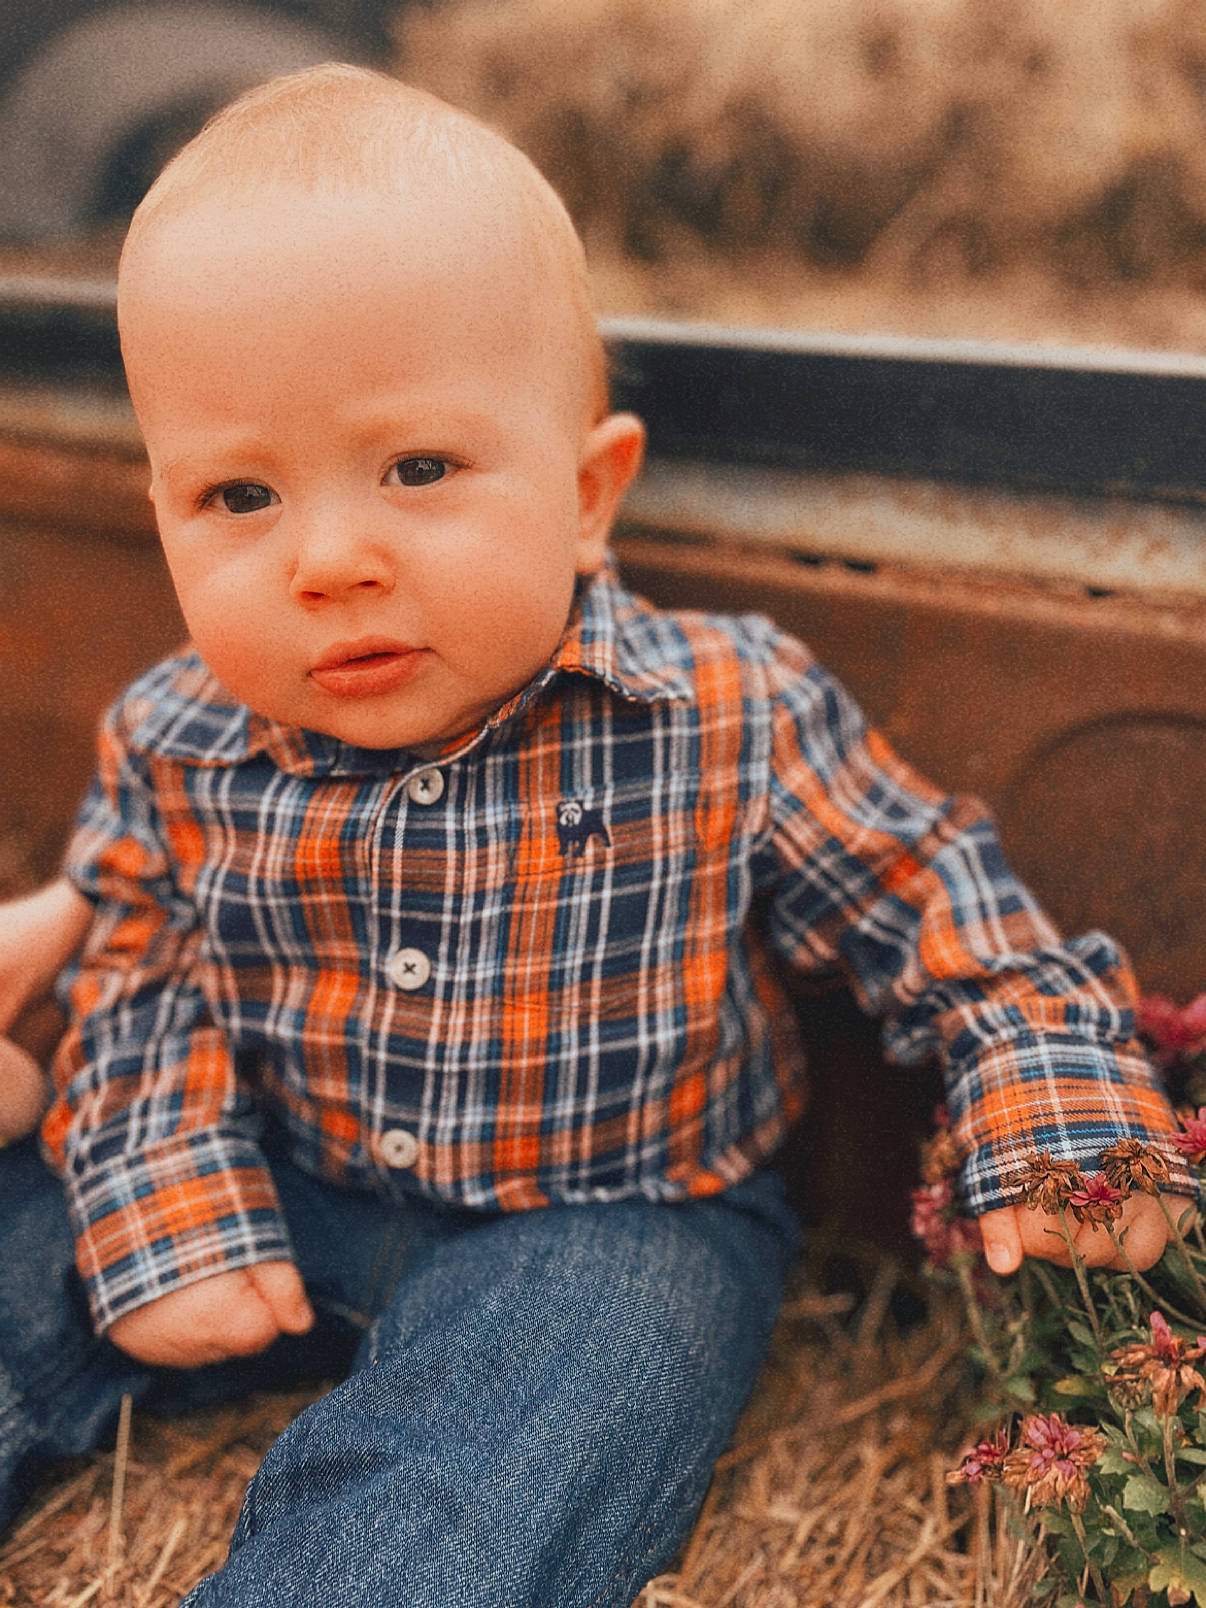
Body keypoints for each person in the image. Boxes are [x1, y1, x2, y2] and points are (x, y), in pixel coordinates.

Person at [0, 62, 1196, 1606]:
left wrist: (1056, 1118)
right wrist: (168, 1203)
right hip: (284, 1166)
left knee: (510, 1460)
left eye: (417, 469)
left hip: (623, 1211)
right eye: (237, 494)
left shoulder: (722, 713)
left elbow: (945, 912)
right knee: (30, 1248)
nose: (329, 560)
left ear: (584, 494)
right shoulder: (176, 733)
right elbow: (141, 980)